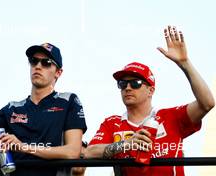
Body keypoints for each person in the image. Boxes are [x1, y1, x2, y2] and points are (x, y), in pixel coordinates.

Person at [84, 26, 215, 176]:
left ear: (151, 90)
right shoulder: (112, 123)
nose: (127, 88)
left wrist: (184, 63)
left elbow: (207, 103)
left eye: (135, 83)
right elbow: (89, 153)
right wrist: (126, 144)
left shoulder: (170, 117)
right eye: (122, 84)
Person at [0, 43, 87, 176]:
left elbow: (72, 152)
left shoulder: (69, 101)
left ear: (58, 73)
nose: (38, 66)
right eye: (33, 61)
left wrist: (23, 147)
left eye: (46, 62)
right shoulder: (12, 108)